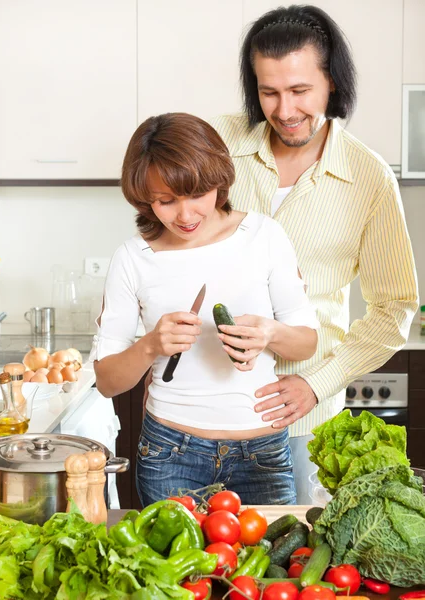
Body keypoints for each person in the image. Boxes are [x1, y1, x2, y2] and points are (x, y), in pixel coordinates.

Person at [211, 4, 419, 503]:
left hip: (301, 418)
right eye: (269, 92)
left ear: (331, 83)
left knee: (294, 561)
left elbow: (395, 310)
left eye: (300, 90)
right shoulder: (215, 144)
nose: (284, 111)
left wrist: (318, 383)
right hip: (205, 414)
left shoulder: (369, 178)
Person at [91, 112, 319, 507]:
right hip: (171, 455)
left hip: (262, 452)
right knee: (176, 570)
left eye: (196, 194)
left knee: (270, 569)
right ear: (145, 199)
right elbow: (108, 382)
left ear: (219, 180)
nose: (185, 215)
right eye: (165, 201)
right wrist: (150, 345)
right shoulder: (133, 258)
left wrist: (268, 333)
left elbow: (307, 343)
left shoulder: (264, 236)